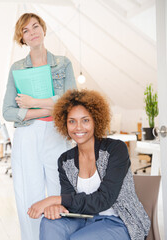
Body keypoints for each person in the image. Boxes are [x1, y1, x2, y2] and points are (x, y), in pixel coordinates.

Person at [28, 89, 151, 240]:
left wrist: (54, 199)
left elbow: (104, 199)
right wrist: (58, 207)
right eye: (72, 121)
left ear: (96, 121)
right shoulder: (65, 160)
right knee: (49, 224)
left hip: (119, 221)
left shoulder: (116, 149)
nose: (78, 127)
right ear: (65, 124)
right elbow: (69, 199)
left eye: (85, 120)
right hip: (81, 218)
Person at [2, 13, 77, 239]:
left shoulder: (63, 63)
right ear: (22, 38)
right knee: (29, 194)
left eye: (35, 27)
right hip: (27, 135)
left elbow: (71, 102)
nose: (32, 32)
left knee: (59, 193)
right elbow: (7, 111)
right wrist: (49, 108)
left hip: (57, 134)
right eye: (26, 30)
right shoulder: (17, 67)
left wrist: (34, 103)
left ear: (43, 30)